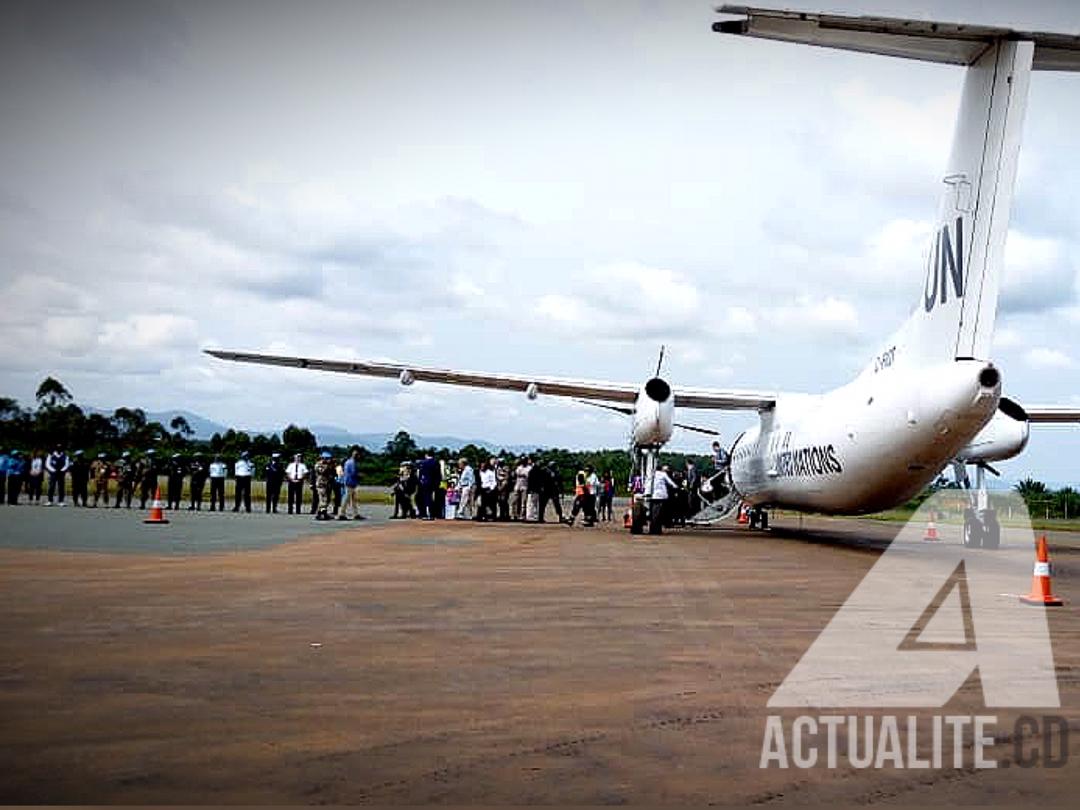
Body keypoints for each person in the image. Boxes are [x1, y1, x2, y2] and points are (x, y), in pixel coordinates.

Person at [649, 464, 678, 535]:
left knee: (653, 513)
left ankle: (652, 529)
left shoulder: (652, 474)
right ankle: (657, 529)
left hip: (652, 496)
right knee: (659, 513)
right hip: (661, 496)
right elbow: (670, 482)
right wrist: (676, 486)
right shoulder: (663, 474)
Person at [337, 448, 362, 520]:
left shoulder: (348, 462)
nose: (358, 456)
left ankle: (355, 513)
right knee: (346, 498)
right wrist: (359, 475)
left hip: (350, 482)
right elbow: (353, 473)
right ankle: (342, 514)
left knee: (353, 499)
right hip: (350, 482)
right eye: (357, 455)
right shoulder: (352, 463)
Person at [417, 451, 440, 521]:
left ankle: (425, 514)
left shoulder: (423, 462)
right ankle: (432, 514)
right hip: (434, 483)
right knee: (432, 498)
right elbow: (438, 474)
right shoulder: (436, 462)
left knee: (426, 498)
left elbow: (420, 473)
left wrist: (420, 481)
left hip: (425, 482)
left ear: (426, 455)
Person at [313, 451, 335, 521]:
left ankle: (320, 513)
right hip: (321, 484)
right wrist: (327, 466)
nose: (329, 460)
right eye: (328, 459)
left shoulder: (329, 465)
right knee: (323, 499)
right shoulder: (318, 464)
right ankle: (323, 514)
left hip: (327, 484)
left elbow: (332, 474)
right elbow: (322, 472)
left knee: (327, 500)